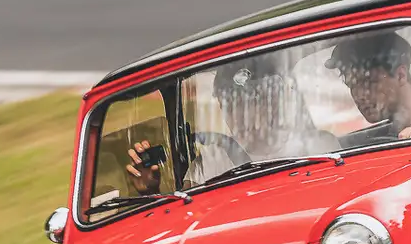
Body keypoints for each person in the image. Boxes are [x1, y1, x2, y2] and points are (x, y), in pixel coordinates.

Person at [126, 54, 332, 194]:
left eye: (249, 101)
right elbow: (186, 221)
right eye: (228, 104)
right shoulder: (210, 163)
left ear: (272, 102)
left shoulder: (318, 148)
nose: (239, 114)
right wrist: (151, 191)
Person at [326, 29, 411, 142]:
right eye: (352, 85)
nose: (359, 95)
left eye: (369, 81)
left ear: (400, 75)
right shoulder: (390, 135)